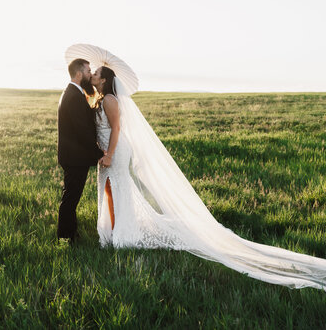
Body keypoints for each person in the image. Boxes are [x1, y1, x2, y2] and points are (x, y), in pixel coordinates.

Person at [90, 64, 326, 292]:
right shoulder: (99, 98)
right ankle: (114, 228)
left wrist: (109, 154)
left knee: (117, 188)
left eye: (96, 72)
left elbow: (117, 129)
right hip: (109, 152)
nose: (92, 73)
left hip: (116, 152)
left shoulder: (110, 99)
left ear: (104, 79)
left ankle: (121, 231)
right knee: (111, 189)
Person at [57, 58, 104, 243]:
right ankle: (65, 237)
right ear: (79, 73)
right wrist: (99, 153)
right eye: (88, 70)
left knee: (71, 196)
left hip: (73, 156)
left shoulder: (73, 93)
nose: (90, 74)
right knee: (71, 198)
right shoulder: (74, 95)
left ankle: (70, 232)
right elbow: (82, 130)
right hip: (74, 157)